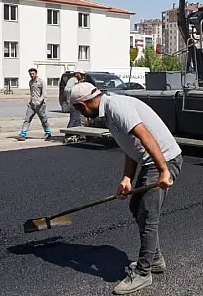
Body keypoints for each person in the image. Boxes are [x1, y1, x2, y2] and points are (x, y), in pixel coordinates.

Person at [70, 82, 183, 295]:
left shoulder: (116, 108)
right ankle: (155, 259)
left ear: (83, 107)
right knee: (136, 208)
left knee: (148, 214)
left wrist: (163, 171)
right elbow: (131, 145)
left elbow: (145, 136)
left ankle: (143, 273)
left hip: (164, 159)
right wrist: (127, 178)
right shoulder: (111, 111)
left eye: (78, 110)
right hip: (152, 161)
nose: (81, 113)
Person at [18, 68, 52, 141]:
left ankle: (48, 132)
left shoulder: (41, 82)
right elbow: (32, 93)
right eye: (30, 74)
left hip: (40, 105)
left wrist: (39, 101)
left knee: (43, 119)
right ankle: (23, 134)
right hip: (32, 105)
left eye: (33, 74)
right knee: (27, 119)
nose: (32, 75)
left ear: (36, 73)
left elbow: (44, 94)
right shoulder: (30, 82)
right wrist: (31, 102)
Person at [63, 70, 85, 142]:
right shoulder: (72, 80)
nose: (82, 76)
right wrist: (76, 86)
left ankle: (78, 134)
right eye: (81, 74)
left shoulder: (80, 81)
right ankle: (68, 134)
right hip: (73, 103)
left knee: (79, 120)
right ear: (76, 74)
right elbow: (66, 89)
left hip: (79, 103)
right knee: (74, 119)